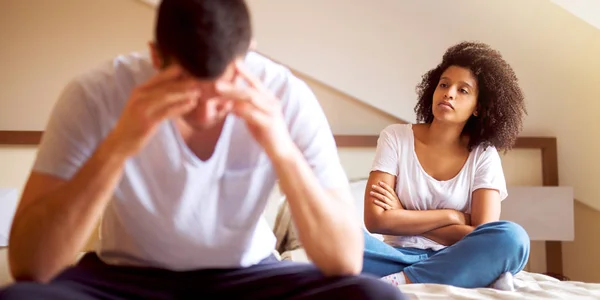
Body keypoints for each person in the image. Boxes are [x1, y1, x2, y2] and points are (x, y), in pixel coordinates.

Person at [0, 1, 405, 299]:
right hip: (123, 278)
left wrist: (281, 149)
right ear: (156, 56)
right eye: (188, 91)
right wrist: (119, 145)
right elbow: (29, 265)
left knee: (377, 297)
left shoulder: (286, 95)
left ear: (247, 53)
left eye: (222, 90)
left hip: (247, 277)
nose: (208, 111)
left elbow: (344, 261)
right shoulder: (95, 93)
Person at [361, 41, 530, 290]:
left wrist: (402, 214)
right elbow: (375, 221)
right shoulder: (395, 137)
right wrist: (453, 216)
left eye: (463, 90)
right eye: (444, 84)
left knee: (513, 239)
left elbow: (480, 236)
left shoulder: (484, 154)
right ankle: (452, 275)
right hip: (394, 256)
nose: (449, 93)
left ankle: (404, 280)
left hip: (456, 258)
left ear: (478, 107)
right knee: (336, 231)